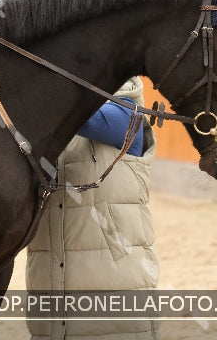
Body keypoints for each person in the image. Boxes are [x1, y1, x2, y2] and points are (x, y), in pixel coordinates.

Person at [26, 77, 160, 340]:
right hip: (51, 302)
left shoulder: (126, 115)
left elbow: (72, 113)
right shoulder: (47, 126)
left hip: (115, 304)